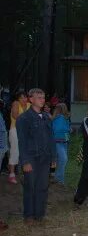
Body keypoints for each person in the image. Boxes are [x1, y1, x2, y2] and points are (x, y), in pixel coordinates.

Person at [16, 88, 56, 223]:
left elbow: (51, 139)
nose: (42, 100)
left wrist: (53, 157)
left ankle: (39, 214)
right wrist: (25, 161)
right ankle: (29, 216)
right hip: (31, 158)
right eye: (39, 97)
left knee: (43, 187)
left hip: (45, 158)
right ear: (31, 99)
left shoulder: (46, 118)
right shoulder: (24, 118)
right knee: (30, 187)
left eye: (43, 98)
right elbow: (22, 142)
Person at [8, 91, 30, 184]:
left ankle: (25, 173)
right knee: (15, 151)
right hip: (15, 130)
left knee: (26, 151)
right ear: (18, 99)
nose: (24, 99)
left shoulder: (29, 105)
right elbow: (15, 115)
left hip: (26, 132)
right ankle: (11, 174)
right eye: (21, 98)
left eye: (25, 97)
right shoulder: (16, 103)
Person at [51, 103, 71, 185]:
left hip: (63, 141)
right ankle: (60, 180)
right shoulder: (60, 118)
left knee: (61, 160)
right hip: (58, 141)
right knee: (63, 159)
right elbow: (59, 129)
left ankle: (58, 179)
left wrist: (68, 130)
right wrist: (68, 129)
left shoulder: (62, 118)